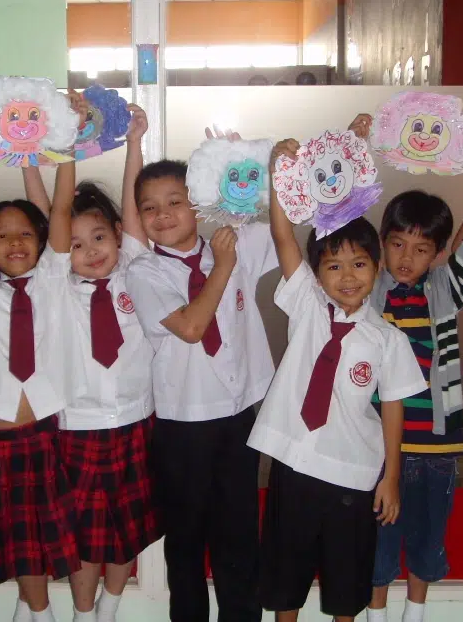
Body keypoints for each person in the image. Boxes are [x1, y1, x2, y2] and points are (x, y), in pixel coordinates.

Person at [251, 139, 426, 622]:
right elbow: (285, 238)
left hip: (353, 472)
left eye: (359, 264)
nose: (347, 277)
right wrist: (278, 174)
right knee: (285, 580)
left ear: (377, 268)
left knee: (346, 583)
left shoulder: (386, 339)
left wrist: (390, 477)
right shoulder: (307, 305)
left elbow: (393, 406)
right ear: (317, 273)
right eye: (333, 266)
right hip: (295, 464)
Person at [365, 124, 463, 622]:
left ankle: (415, 613)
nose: (406, 258)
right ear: (382, 245)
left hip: (435, 446)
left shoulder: (442, 292)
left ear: (435, 256)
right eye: (396, 245)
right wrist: (356, 144)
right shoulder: (370, 292)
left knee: (428, 541)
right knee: (377, 545)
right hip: (375, 444)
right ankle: (375, 613)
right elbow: (336, 226)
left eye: (421, 249)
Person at [126, 130, 278, 622]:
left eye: (176, 201)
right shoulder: (145, 272)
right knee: (186, 544)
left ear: (198, 203)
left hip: (237, 419)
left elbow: (283, 218)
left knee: (239, 539)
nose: (163, 214)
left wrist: (252, 162)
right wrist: (224, 264)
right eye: (150, 208)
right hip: (180, 426)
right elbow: (192, 327)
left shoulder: (232, 242)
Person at [0, 91, 84, 622]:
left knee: (38, 545)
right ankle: (36, 613)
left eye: (24, 233)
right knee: (12, 544)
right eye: (0, 235)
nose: (14, 243)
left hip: (40, 433)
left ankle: (39, 614)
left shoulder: (53, 276)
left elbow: (65, 206)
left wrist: (69, 132)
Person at [23, 99, 159, 622]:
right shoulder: (55, 284)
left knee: (126, 530)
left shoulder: (132, 270)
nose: (91, 250)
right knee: (83, 532)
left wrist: (134, 144)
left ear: (118, 235)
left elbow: (129, 208)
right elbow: (46, 211)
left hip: (133, 420)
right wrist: (30, 154)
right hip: (76, 425)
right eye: (76, 244)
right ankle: (83, 612)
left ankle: (111, 606)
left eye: (99, 237)